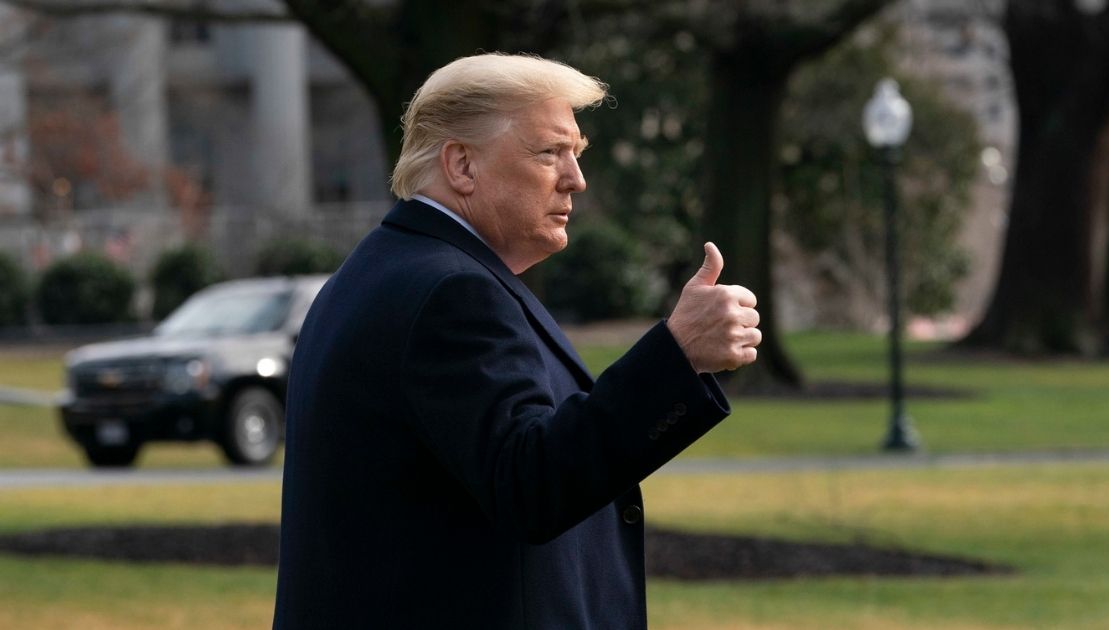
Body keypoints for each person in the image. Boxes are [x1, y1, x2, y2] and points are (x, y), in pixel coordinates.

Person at [272, 53, 761, 629]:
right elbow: (531, 484)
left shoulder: (389, 269)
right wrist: (676, 356)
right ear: (462, 166)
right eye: (550, 152)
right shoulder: (450, 292)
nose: (576, 177)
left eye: (577, 153)